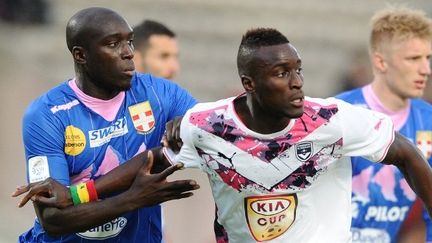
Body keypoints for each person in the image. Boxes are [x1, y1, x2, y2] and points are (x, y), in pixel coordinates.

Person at [15, 27, 432, 243]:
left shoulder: (335, 119)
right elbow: (153, 162)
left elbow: (409, 154)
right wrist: (78, 193)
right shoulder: (208, 126)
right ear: (248, 83)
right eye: (281, 74)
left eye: (298, 70)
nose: (297, 83)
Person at [16, 7, 200, 243]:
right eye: (113, 44)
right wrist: (133, 199)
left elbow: (207, 128)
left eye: (130, 42)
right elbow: (52, 219)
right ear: (81, 55)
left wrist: (186, 124)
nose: (128, 53)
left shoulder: (159, 92)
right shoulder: (47, 114)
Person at [336, 6, 432, 242]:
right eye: (413, 59)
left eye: (428, 58)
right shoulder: (338, 113)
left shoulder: (428, 121)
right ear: (380, 62)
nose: (426, 70)